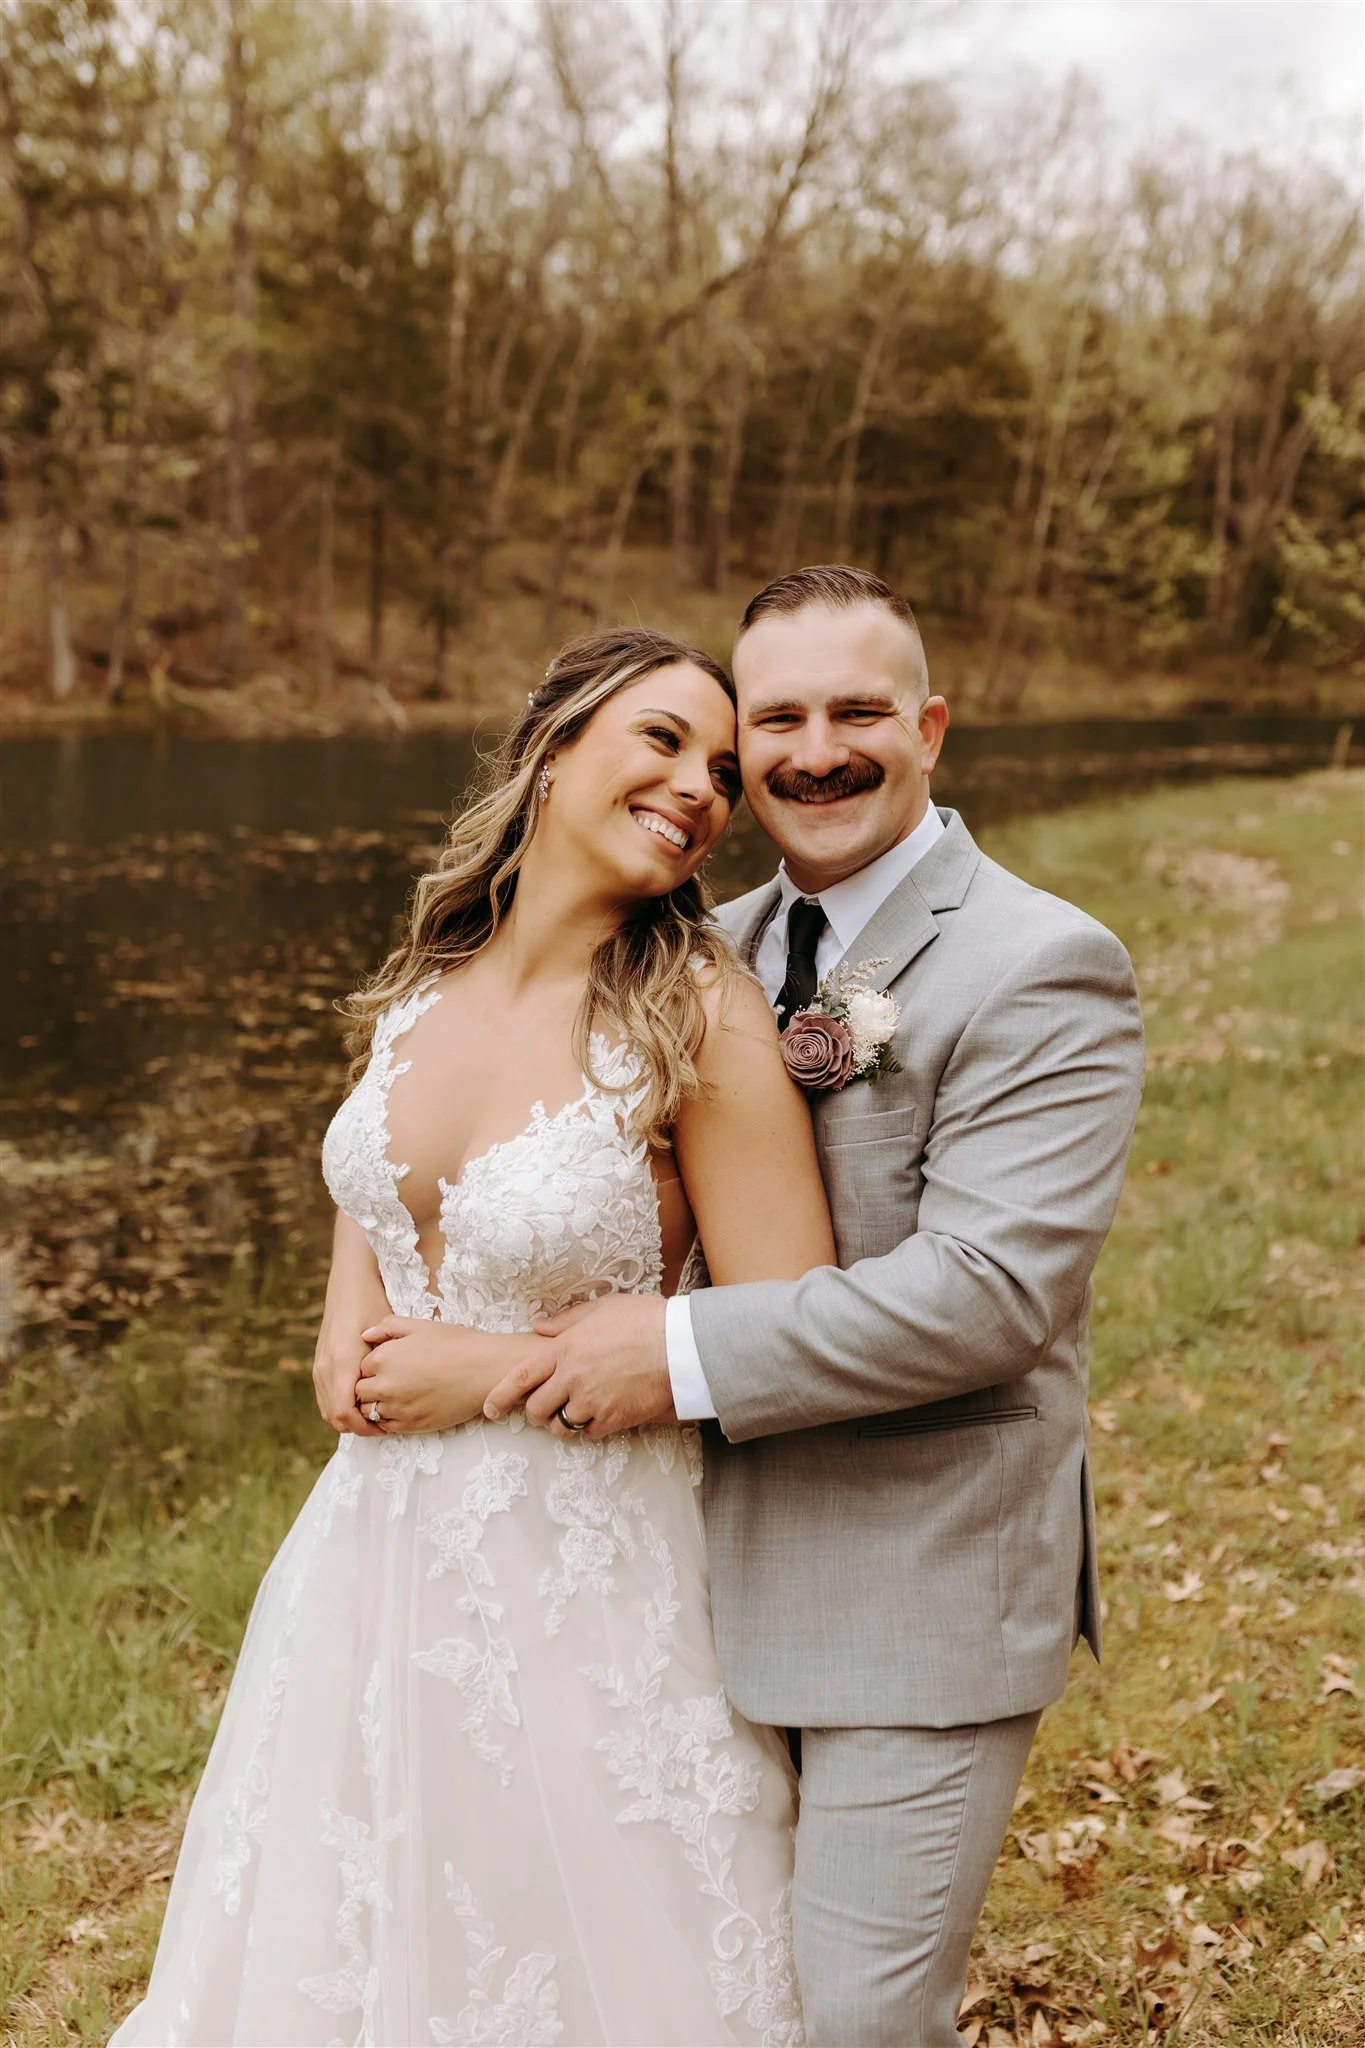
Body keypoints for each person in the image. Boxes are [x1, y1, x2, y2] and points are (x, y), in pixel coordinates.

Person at [111, 628, 835, 2048]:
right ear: (556, 745)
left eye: (726, 773)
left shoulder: (696, 1011)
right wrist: (351, 1308)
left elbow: (790, 1328)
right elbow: (380, 1177)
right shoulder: (429, 974)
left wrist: (490, 1369)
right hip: (371, 1561)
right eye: (664, 741)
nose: (702, 788)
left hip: (587, 1576)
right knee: (352, 1925)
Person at [477, 567, 1147, 2048]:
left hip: (916, 1583)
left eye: (858, 711)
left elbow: (990, 1297)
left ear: (932, 725)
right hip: (678, 1582)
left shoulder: (1041, 964)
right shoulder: (697, 942)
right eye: (774, 719)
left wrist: (674, 1352)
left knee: (850, 2020)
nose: (814, 749)